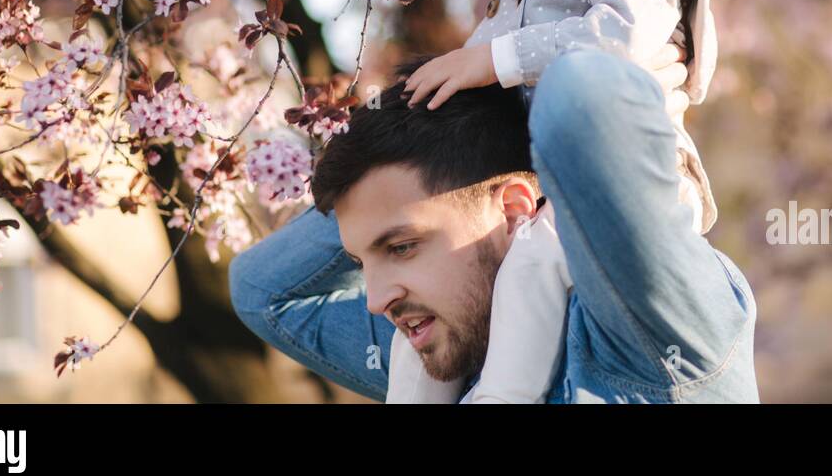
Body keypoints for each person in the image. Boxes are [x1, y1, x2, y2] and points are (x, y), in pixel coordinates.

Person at [387, 0, 775, 401]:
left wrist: (489, 60)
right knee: (452, 284)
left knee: (536, 262)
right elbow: (484, 55)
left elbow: (611, 42)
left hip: (620, 178)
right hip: (540, 178)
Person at [229, 49, 760, 403]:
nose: (374, 301)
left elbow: (584, 93)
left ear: (513, 209)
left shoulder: (649, 330)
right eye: (360, 261)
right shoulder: (455, 349)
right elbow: (261, 291)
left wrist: (498, 57)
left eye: (403, 245)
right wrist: (401, 159)